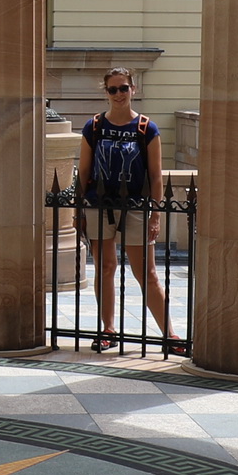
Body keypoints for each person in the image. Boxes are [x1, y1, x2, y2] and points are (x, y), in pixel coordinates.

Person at [77, 68, 175, 350]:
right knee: (105, 268)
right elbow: (84, 171)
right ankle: (108, 330)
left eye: (123, 88)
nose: (118, 94)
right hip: (99, 206)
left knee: (147, 273)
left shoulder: (146, 128)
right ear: (106, 92)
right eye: (113, 89)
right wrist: (77, 211)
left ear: (133, 89)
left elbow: (156, 176)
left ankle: (170, 335)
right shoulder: (94, 126)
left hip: (135, 207)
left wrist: (156, 215)